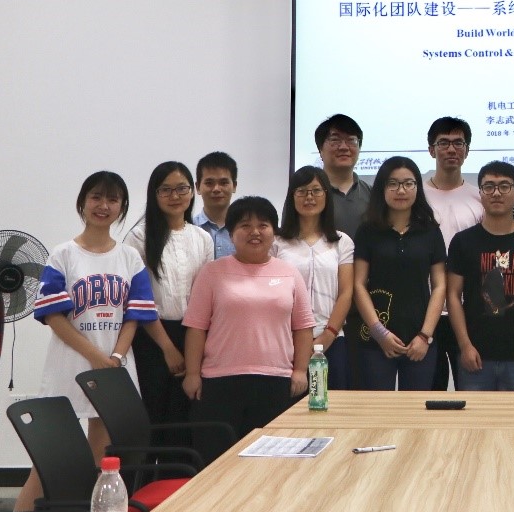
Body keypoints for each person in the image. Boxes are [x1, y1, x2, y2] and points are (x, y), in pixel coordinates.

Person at [12, 171, 156, 512]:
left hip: (113, 370)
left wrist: (116, 357)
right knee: (46, 463)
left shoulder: (129, 258)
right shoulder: (63, 254)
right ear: (82, 203)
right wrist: (96, 357)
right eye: (96, 197)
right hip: (70, 366)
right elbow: (53, 316)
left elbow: (134, 316)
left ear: (122, 207)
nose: (103, 205)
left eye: (112, 199)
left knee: (101, 462)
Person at [182, 196, 314, 464]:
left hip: (276, 381)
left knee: (272, 463)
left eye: (263, 225)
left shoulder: (289, 273)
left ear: (274, 231)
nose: (255, 232)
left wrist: (300, 370)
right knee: (217, 462)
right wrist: (193, 374)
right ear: (231, 233)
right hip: (220, 382)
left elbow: (303, 327)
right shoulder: (212, 272)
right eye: (245, 225)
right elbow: (196, 328)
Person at [123, 161, 212, 442]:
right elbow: (138, 299)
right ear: (155, 194)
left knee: (185, 416)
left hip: (192, 334)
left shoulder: (202, 238)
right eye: (166, 190)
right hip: (152, 336)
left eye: (181, 188)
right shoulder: (138, 237)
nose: (175, 196)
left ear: (192, 191)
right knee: (153, 414)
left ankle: (181, 471)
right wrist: (168, 348)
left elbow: (205, 297)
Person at [447, 161, 514, 391]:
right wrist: (464, 346)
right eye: (489, 186)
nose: (496, 193)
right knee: (473, 415)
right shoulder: (463, 241)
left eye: (505, 186)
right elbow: (453, 295)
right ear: (480, 194)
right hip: (475, 355)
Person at [352, 156, 447, 390]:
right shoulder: (368, 230)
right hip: (376, 339)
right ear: (382, 188)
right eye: (393, 184)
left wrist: (425, 336)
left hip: (420, 338)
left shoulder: (430, 231)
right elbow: (358, 284)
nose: (401, 190)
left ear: (417, 187)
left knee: (415, 409)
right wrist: (379, 332)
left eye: (408, 183)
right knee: (375, 408)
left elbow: (440, 286)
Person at [275, 165, 354, 391]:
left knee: (330, 405)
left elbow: (346, 292)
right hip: (286, 339)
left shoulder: (341, 241)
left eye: (316, 190)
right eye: (301, 191)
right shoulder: (277, 243)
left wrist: (328, 336)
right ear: (292, 197)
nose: (309, 197)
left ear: (327, 195)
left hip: (331, 339)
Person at [422, 115, 483, 390]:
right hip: (426, 310)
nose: (451, 149)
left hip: (468, 311)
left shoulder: (480, 197)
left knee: (470, 391)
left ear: (467, 150)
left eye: (458, 143)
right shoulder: (416, 197)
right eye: (443, 143)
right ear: (431, 149)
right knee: (429, 392)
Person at [315, 113, 370, 238]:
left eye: (351, 140)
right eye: (335, 140)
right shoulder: (306, 194)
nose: (344, 147)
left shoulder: (371, 194)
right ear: (320, 149)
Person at [193, 151, 238, 259]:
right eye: (209, 183)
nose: (216, 189)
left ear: (234, 186)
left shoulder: (245, 230)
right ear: (198, 187)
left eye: (223, 183)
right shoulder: (190, 228)